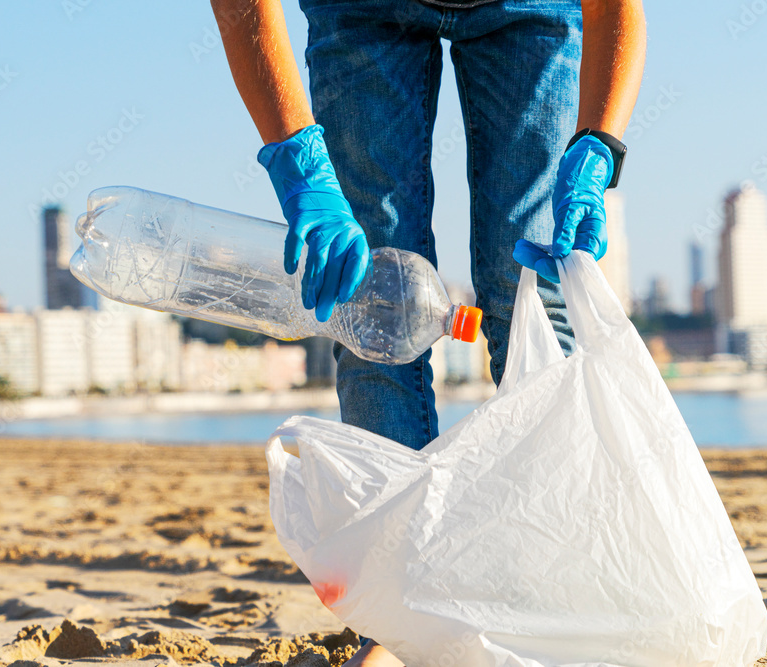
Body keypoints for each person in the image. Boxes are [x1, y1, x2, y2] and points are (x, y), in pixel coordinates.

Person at [210, 0, 645, 664]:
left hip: (528, 11)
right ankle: (402, 614)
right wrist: (298, 159)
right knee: (368, 304)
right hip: (362, 11)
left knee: (529, 291)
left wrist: (598, 143)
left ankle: (546, 584)